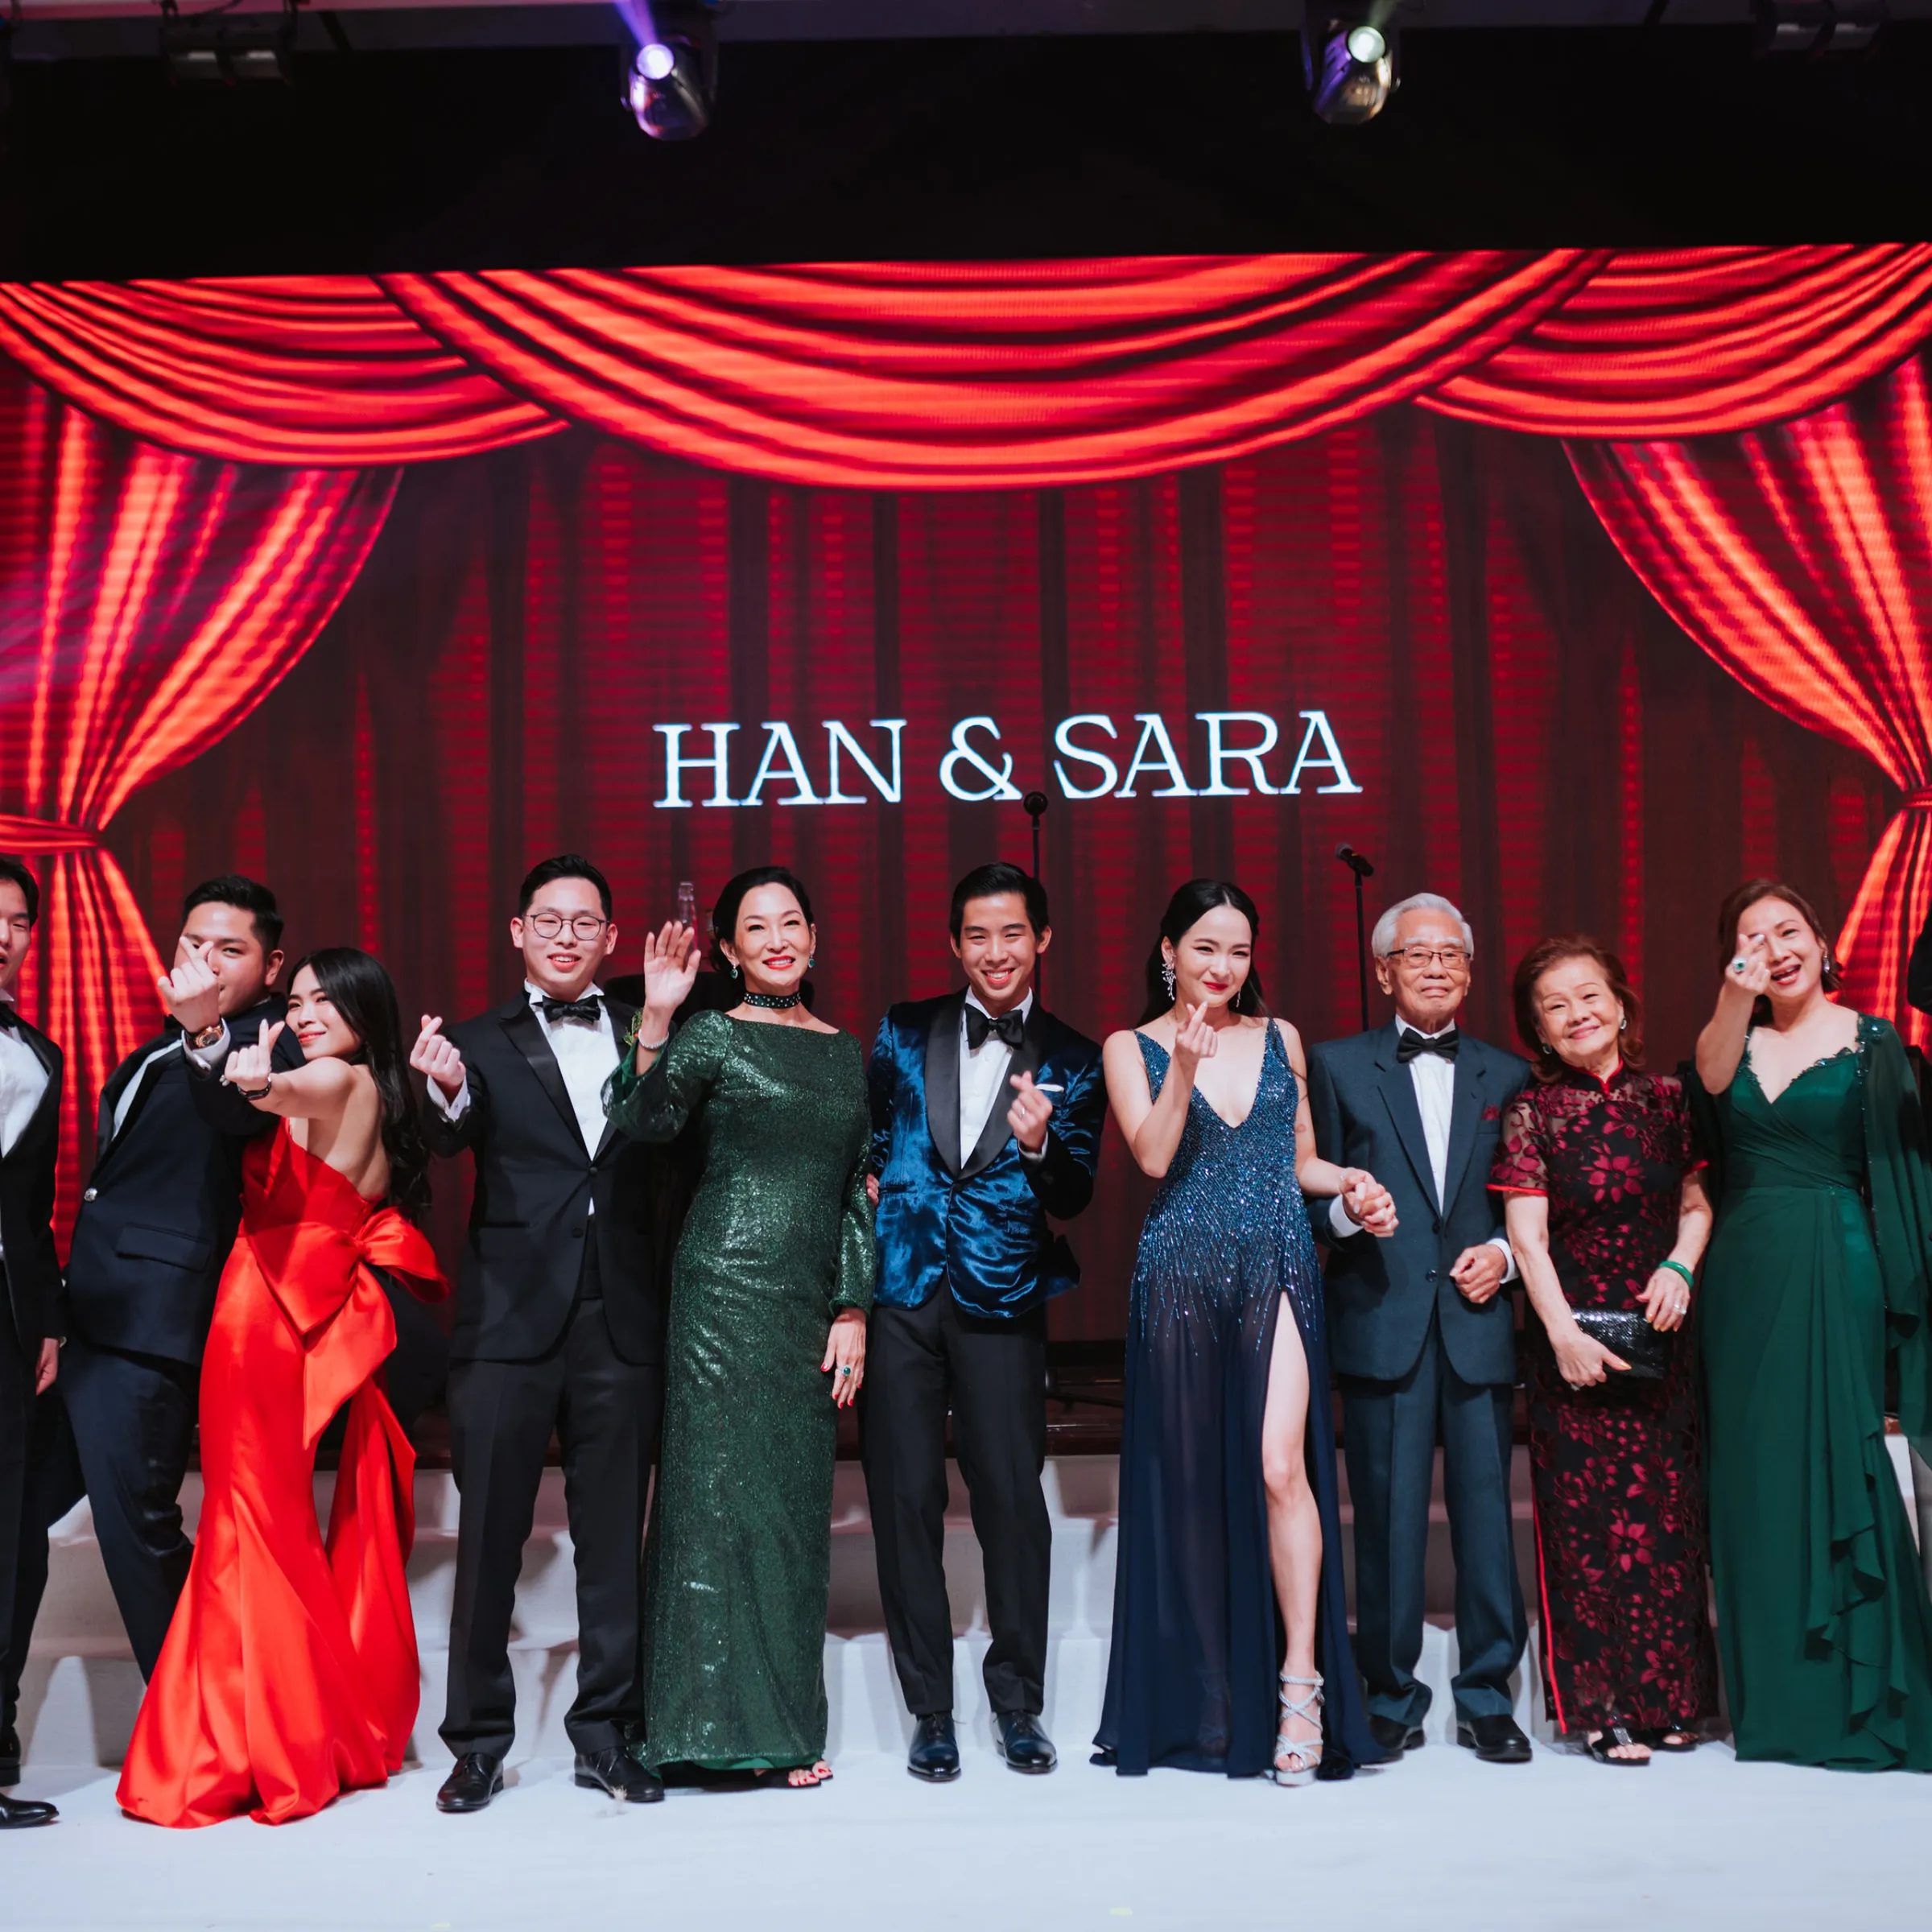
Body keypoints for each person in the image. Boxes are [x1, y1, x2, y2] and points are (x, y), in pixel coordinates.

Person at [115, 949, 445, 1827]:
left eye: (325, 1001)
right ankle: (284, 1734)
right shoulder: (374, 1089)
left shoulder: (333, 1078)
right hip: (293, 1306)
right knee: (262, 1522)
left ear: (364, 1013)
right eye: (296, 1001)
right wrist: (246, 1073)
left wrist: (241, 1066)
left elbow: (280, 1093)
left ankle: (261, 1745)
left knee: (249, 1522)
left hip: (264, 1310)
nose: (304, 1014)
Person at [1096, 880, 1391, 1783]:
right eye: (1205, 948)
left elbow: (1297, 1159)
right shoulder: (1129, 1046)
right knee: (1191, 1484)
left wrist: (1351, 1184)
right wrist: (1183, 1068)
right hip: (1180, 1274)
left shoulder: (1282, 1038)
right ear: (1168, 952)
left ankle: (1301, 1682)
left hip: (1278, 1263)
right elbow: (1153, 1156)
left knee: (1278, 1466)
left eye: (1238, 951)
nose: (1223, 967)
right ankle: (1211, 1697)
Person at [6, 878, 302, 1731]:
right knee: (17, 1520)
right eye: (192, 945)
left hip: (151, 1327)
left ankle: (208, 1734)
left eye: (230, 950)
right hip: (81, 1321)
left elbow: (238, 1118)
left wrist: (207, 1033)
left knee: (138, 1531)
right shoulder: (150, 1052)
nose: (205, 962)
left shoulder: (269, 1046)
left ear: (271, 966)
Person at [606, 865, 874, 1789]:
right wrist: (656, 1019)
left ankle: (785, 1731)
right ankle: (694, 1729)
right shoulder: (711, 1035)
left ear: (814, 937)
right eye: (755, 928)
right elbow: (642, 1121)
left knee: (790, 1515)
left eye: (790, 922)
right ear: (728, 948)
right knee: (712, 1504)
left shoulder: (844, 1051)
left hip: (806, 1303)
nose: (776, 940)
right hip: (720, 1291)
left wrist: (853, 1304)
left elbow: (856, 1188)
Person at [415, 855, 670, 1812]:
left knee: (613, 1540)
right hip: (509, 1321)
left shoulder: (652, 1030)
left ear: (611, 937)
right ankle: (477, 1744)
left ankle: (606, 1734)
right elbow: (449, 1133)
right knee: (490, 1540)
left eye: (585, 922)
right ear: (518, 932)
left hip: (622, 1314)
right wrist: (444, 1090)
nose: (567, 936)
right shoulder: (475, 1041)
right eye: (549, 921)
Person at [863, 862, 1106, 1781]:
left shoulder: (1076, 1055)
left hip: (1003, 1296)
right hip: (901, 1290)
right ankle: (929, 1709)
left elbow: (1074, 1193)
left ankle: (1018, 1704)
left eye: (1012, 934)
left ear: (1041, 940)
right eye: (977, 936)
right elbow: (871, 1142)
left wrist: (1040, 1146)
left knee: (1011, 1501)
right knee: (904, 1500)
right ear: (954, 944)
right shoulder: (903, 1027)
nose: (995, 952)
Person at [1691, 879, 1932, 1770]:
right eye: (1752, 937)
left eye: (1788, 932)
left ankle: (1862, 1698)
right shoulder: (1731, 1038)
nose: (1774, 949)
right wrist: (1735, 996)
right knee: (1752, 1472)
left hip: (1838, 1260)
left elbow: (1902, 1177)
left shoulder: (1874, 1041)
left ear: (1824, 944)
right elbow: (1711, 1080)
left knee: (1840, 1456)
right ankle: (1777, 1708)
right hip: (1743, 1273)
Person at [1307, 891, 1534, 1765]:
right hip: (1381, 1317)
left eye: (1451, 956)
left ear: (1469, 973)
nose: (1436, 968)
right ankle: (1390, 1697)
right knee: (1387, 1523)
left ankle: (1488, 1698)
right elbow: (1309, 1196)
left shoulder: (1508, 1075)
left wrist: (1505, 1260)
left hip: (1477, 1321)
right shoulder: (1336, 1066)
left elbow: (1530, 1203)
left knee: (1487, 1521)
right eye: (1418, 954)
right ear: (1383, 971)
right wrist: (1351, 1215)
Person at [1490, 936, 1717, 1765]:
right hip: (1573, 1345)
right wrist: (1561, 1336)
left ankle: (1673, 1701)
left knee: (1668, 1523)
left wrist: (1680, 1266)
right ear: (1540, 1031)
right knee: (1585, 1532)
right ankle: (1601, 1709)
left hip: (1663, 1340)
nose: (1578, 1014)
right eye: (1556, 1006)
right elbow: (1527, 1238)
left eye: (1590, 996)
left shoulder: (1669, 1099)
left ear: (1620, 1004)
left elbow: (1696, 1204)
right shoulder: (1534, 1112)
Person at [0, 857, 63, 1829]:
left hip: (12, 1315)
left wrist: (48, 1315)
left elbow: (33, 1203)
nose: (1, 936)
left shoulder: (40, 1054)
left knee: (14, 1539)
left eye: (16, 920)